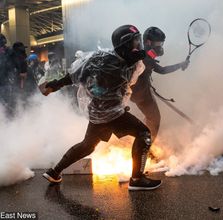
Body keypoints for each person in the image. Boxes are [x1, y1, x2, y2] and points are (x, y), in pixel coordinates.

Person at [42, 25, 162, 191]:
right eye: (135, 41)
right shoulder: (116, 63)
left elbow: (74, 75)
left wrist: (54, 86)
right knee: (144, 134)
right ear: (125, 44)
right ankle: (137, 179)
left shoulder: (101, 57)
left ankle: (54, 172)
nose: (138, 44)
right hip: (112, 113)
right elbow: (133, 59)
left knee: (87, 145)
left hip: (98, 112)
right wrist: (151, 51)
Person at [130, 27, 190, 141]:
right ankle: (146, 145)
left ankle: (143, 141)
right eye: (158, 43)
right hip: (140, 93)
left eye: (161, 43)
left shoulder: (143, 53)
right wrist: (180, 65)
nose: (160, 46)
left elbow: (158, 69)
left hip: (139, 91)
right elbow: (161, 70)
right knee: (154, 119)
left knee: (150, 118)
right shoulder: (145, 55)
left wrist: (180, 65)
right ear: (148, 42)